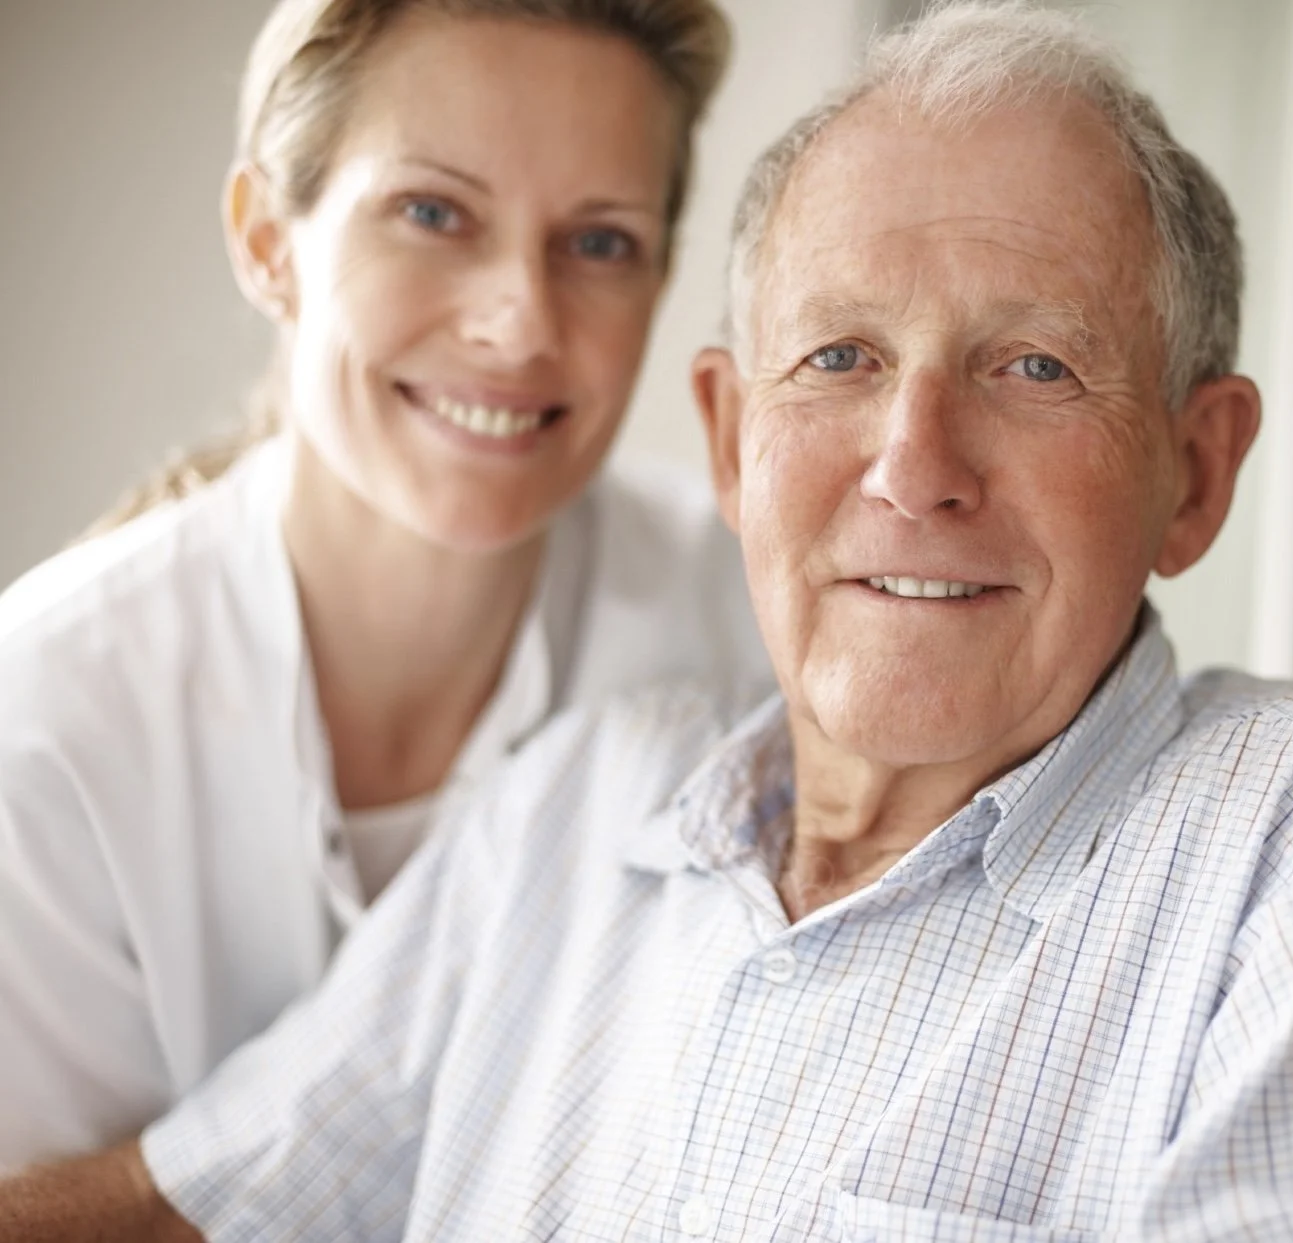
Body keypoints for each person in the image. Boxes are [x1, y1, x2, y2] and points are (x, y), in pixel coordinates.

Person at [6, 2, 1293, 1238]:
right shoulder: (573, 798)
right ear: (733, 441)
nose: (913, 466)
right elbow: (188, 1199)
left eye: (1033, 368)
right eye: (839, 358)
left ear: (1195, 471)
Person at [0, 0, 772, 1172]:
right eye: (432, 212)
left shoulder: (750, 625)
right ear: (268, 239)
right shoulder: (45, 727)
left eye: (600, 240)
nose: (519, 322)